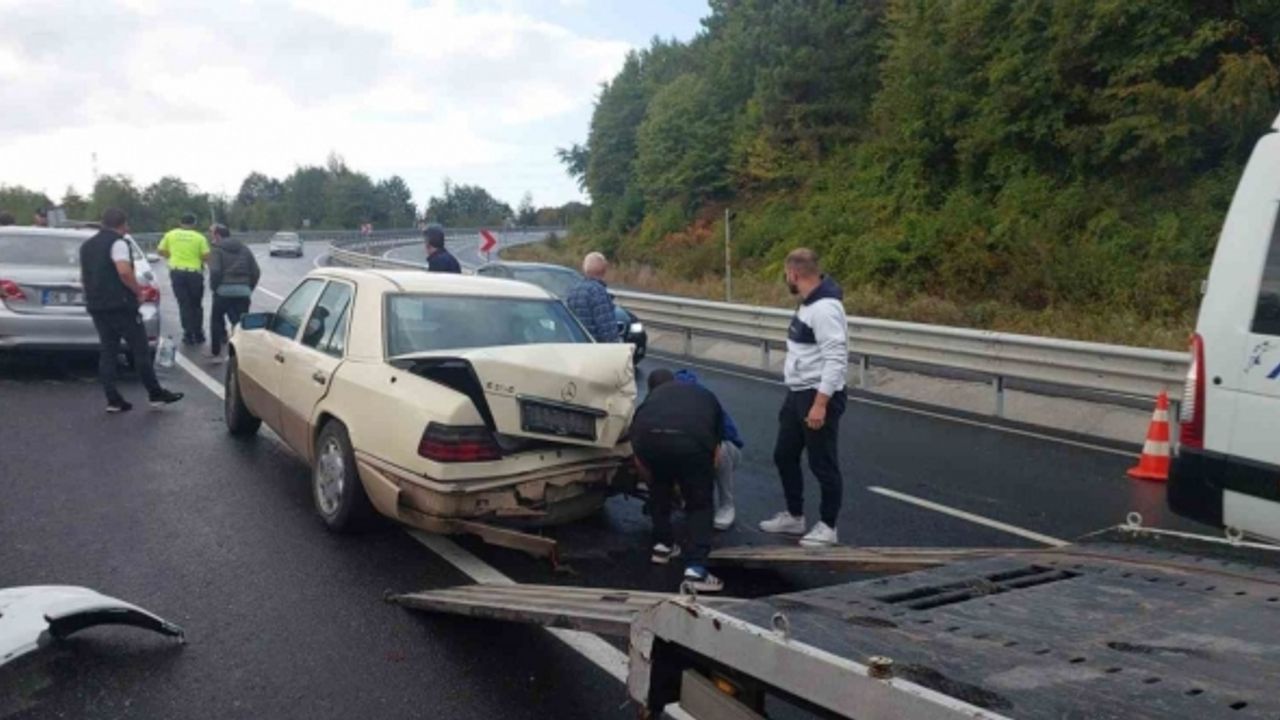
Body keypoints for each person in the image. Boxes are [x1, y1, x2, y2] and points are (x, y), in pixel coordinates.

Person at [759, 248, 849, 548]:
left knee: (822, 463)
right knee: (784, 454)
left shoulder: (825, 308)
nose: (787, 280)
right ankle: (795, 516)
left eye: (787, 275)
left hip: (817, 394)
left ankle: (828, 525)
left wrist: (820, 404)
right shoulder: (807, 305)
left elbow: (836, 358)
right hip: (797, 392)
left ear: (794, 274)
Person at [79, 208, 184, 413]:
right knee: (140, 349)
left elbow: (84, 276)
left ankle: (113, 399)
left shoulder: (87, 246)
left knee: (108, 351)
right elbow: (124, 271)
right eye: (127, 224)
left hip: (97, 305)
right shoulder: (118, 243)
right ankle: (155, 393)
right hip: (120, 305)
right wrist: (138, 291)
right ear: (122, 224)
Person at [631, 368, 724, 592]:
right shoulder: (701, 394)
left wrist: (655, 483)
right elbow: (716, 452)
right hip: (692, 440)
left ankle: (663, 546)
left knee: (659, 487)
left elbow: (638, 459)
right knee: (700, 504)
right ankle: (696, 570)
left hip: (649, 438)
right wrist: (699, 482)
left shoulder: (650, 401)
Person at [674, 369, 744, 530]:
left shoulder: (709, 406)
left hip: (721, 450)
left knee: (723, 450)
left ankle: (727, 505)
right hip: (689, 453)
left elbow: (727, 435)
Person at [207, 224, 260, 362]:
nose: (211, 237)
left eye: (212, 235)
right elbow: (256, 271)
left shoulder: (217, 250)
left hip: (223, 291)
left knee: (216, 320)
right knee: (240, 322)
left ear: (218, 236)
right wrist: (248, 288)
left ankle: (216, 353)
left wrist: (215, 287)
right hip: (243, 291)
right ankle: (241, 353)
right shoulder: (245, 249)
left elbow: (215, 271)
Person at [158, 212, 211, 345]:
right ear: (194, 224)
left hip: (177, 273)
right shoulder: (199, 237)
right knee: (196, 304)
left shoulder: (170, 234)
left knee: (184, 304)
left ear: (180, 223)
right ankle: (198, 333)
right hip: (194, 274)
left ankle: (188, 334)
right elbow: (206, 256)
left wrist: (172, 256)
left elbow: (160, 250)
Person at [566, 252, 619, 342]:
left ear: (585, 269)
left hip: (578, 345)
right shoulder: (598, 292)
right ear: (604, 270)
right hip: (595, 348)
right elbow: (607, 329)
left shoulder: (574, 291)